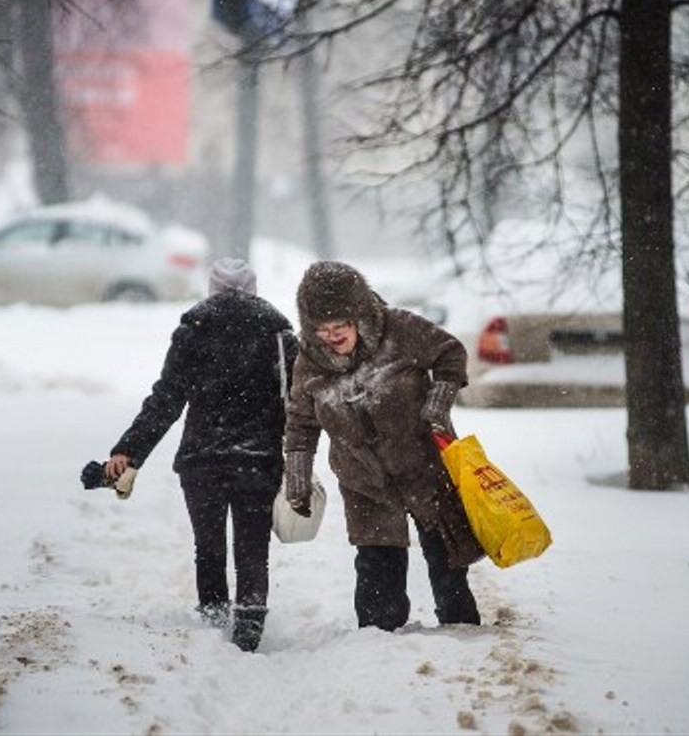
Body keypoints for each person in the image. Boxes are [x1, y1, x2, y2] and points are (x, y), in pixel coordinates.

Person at [105, 258, 298, 652]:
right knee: (252, 546)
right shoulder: (279, 334)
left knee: (208, 546)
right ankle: (249, 625)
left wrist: (130, 449)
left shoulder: (193, 331)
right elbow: (297, 402)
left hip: (202, 458)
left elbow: (167, 399)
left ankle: (213, 619)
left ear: (212, 289)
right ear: (254, 289)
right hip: (257, 459)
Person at [282, 261, 484, 632]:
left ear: (359, 315)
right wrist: (297, 475)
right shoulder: (309, 361)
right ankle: (380, 646)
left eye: (340, 326)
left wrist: (437, 403)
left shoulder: (400, 329)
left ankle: (462, 634)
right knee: (377, 570)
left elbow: (450, 354)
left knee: (447, 559)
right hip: (364, 482)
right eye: (321, 329)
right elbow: (300, 423)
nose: (332, 336)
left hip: (423, 466)